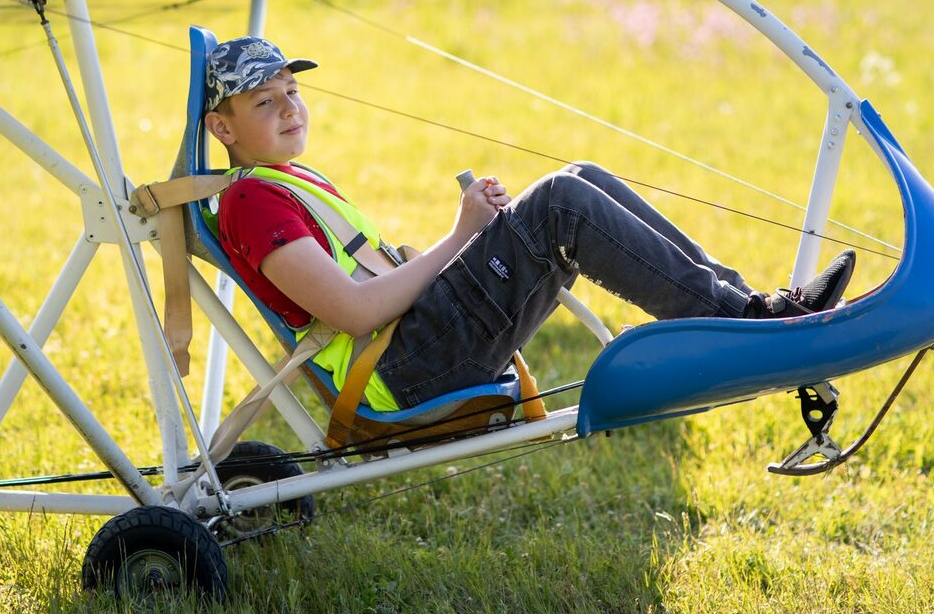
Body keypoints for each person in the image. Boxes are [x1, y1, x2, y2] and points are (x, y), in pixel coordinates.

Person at [202, 36, 856, 413]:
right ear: (222, 128)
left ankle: (753, 310)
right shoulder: (252, 203)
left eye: (293, 91)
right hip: (405, 366)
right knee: (562, 203)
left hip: (416, 340)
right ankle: (753, 325)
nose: (290, 108)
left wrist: (474, 234)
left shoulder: (283, 183)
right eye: (266, 101)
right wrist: (461, 237)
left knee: (582, 177)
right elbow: (352, 311)